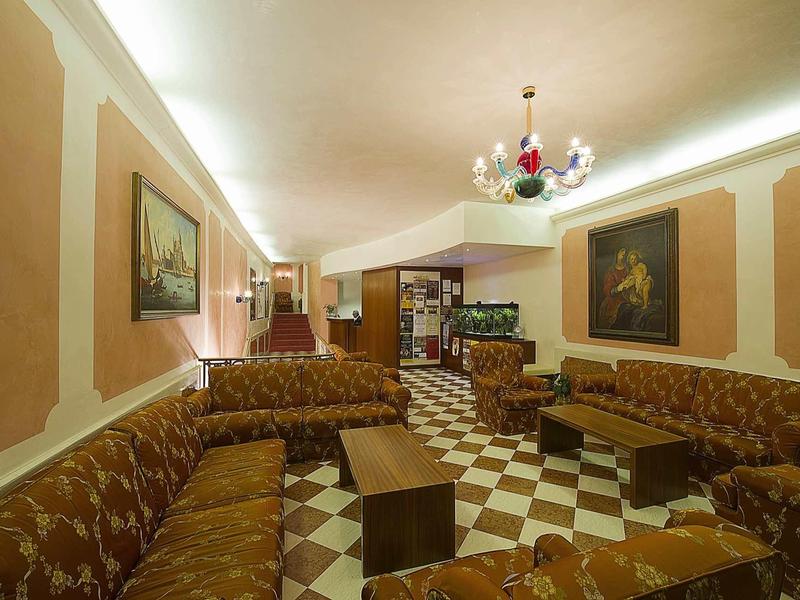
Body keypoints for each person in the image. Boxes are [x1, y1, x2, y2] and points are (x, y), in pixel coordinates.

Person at [598, 247, 628, 328]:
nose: (623, 254)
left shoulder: (628, 269)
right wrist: (618, 288)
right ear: (617, 254)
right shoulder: (611, 271)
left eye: (625, 253)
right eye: (622, 251)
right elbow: (607, 290)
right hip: (614, 300)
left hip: (628, 298)